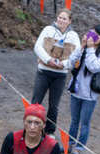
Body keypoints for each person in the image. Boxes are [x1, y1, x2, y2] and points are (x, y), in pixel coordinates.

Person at [31, 8, 80, 137]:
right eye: (59, 17)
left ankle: (50, 131)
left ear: (69, 21)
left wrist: (63, 64)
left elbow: (76, 54)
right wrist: (48, 60)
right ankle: (30, 126)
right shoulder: (48, 30)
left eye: (64, 18)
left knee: (54, 105)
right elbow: (37, 46)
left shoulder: (73, 36)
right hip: (44, 71)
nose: (61, 20)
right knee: (36, 101)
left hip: (60, 75)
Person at [65, 25, 100, 154]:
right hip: (76, 90)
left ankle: (78, 149)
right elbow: (71, 62)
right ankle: (70, 144)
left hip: (90, 96)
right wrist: (82, 47)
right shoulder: (85, 48)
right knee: (74, 121)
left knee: (84, 123)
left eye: (96, 35)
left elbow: (94, 67)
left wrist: (90, 49)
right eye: (91, 33)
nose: (92, 37)